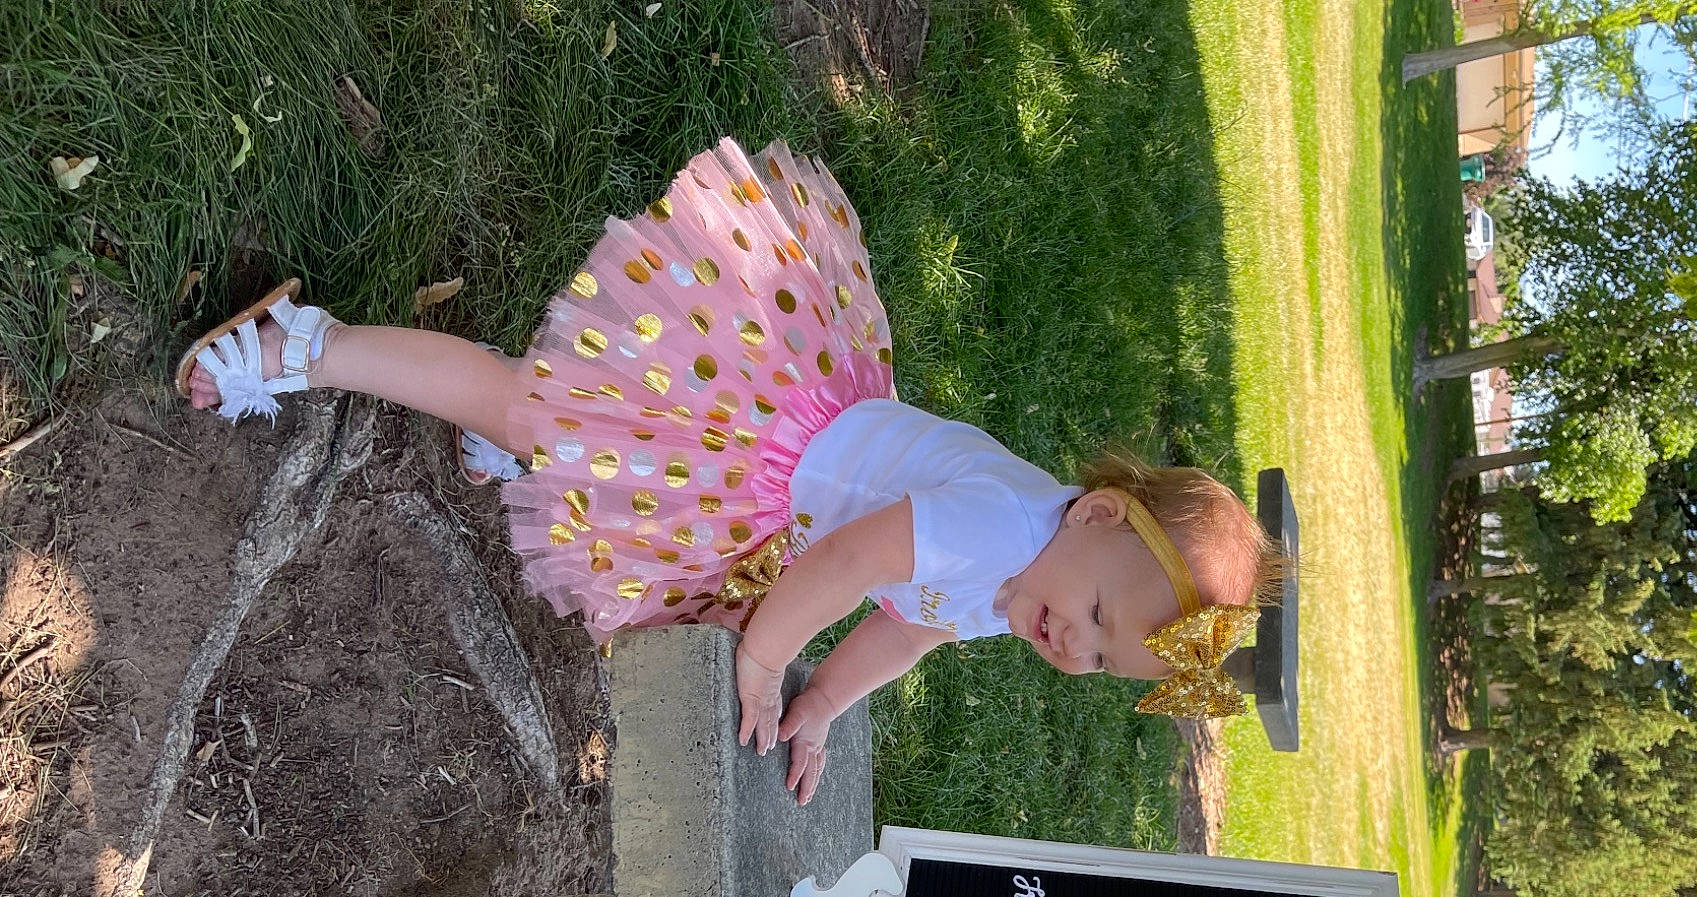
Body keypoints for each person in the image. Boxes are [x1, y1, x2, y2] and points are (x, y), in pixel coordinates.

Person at [179, 138, 1283, 803]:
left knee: (563, 431)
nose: (1070, 644)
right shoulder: (1003, 528)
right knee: (532, 403)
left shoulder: (1025, 577)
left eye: (1097, 658)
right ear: (1094, 514)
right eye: (1093, 614)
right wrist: (766, 661)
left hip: (764, 486)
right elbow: (852, 563)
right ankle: (309, 346)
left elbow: (912, 624)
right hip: (757, 434)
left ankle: (517, 443)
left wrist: (822, 708)